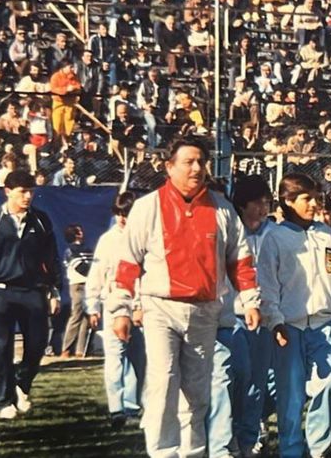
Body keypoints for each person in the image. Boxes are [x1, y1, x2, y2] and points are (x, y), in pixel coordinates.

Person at [107, 137, 259, 456]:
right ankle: (163, 452)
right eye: (188, 162)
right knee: (163, 384)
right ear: (169, 166)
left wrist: (251, 300)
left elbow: (240, 259)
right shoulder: (148, 207)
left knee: (197, 393)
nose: (197, 168)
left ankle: (194, 452)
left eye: (201, 162)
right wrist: (121, 309)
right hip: (161, 308)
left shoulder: (222, 209)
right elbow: (126, 262)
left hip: (205, 312)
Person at [257, 172, 331, 458]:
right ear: (288, 201)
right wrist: (275, 321)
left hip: (324, 324)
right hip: (289, 327)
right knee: (290, 393)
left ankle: (319, 448)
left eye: (316, 198)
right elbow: (267, 286)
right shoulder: (274, 238)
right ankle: (290, 449)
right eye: (306, 199)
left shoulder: (328, 235)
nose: (314, 204)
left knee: (326, 385)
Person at [0, 170, 63, 419]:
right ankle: (4, 401)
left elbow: (51, 259)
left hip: (33, 291)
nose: (28, 196)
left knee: (37, 344)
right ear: (8, 191)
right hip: (0, 292)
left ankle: (21, 385)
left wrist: (55, 290)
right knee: (2, 348)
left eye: (31, 191)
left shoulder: (41, 220)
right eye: (22, 191)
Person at [207, 174, 276, 457]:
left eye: (266, 202)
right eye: (257, 202)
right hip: (231, 316)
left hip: (263, 317)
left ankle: (248, 440)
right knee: (231, 379)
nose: (263, 208)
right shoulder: (228, 230)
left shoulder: (274, 232)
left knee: (257, 383)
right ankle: (228, 436)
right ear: (243, 203)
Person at [86, 191, 145, 427]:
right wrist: (92, 306)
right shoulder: (107, 240)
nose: (122, 218)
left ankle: (132, 405)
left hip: (140, 308)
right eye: (119, 213)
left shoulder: (144, 238)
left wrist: (142, 305)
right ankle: (116, 409)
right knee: (115, 359)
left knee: (139, 360)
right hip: (113, 305)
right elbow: (96, 275)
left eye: (127, 213)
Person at [60, 224, 93, 357]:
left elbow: (95, 264)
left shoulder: (88, 249)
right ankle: (66, 349)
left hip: (89, 284)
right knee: (76, 315)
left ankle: (81, 351)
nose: (82, 233)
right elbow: (79, 267)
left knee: (87, 317)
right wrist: (93, 272)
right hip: (78, 284)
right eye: (78, 231)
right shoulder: (70, 251)